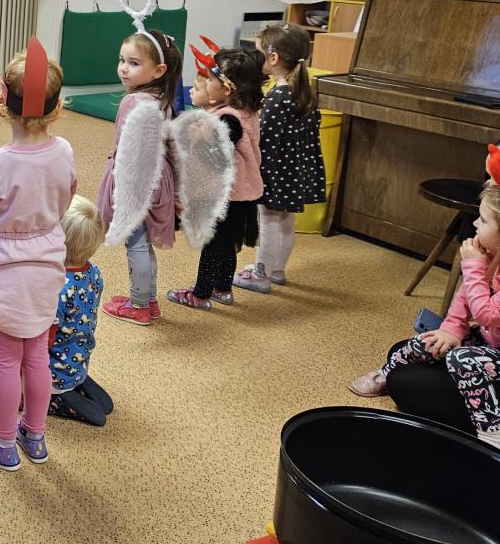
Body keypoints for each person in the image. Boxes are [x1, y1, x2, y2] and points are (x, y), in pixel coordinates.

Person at [0, 45, 76, 471]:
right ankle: (35, 436)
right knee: (37, 356)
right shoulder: (64, 151)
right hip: (46, 267)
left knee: (5, 360)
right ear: (57, 107)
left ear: (1, 102)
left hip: (4, 275)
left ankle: (3, 443)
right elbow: (65, 201)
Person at [349, 180, 500, 449]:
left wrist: (473, 267)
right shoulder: (491, 254)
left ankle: (491, 431)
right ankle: (385, 373)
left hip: (492, 355)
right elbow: (466, 296)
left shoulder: (482, 260)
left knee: (460, 359)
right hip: (488, 343)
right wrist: (452, 327)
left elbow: (487, 315)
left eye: (484, 220)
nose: (475, 224)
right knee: (424, 342)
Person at [0, 196, 114, 427]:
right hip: (78, 356)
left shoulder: (55, 288)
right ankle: (77, 380)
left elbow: (40, 343)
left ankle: (57, 397)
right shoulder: (93, 273)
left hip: (52, 370)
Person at [168, 44, 264, 310]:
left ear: (227, 89)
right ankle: (223, 288)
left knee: (212, 245)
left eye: (210, 81)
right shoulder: (246, 111)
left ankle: (200, 295)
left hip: (227, 196)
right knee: (227, 244)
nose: (206, 84)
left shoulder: (228, 119)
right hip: (242, 193)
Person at [233, 23, 326, 293]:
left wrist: (254, 170)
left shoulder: (277, 98)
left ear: (272, 58)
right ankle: (276, 270)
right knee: (286, 220)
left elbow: (266, 143)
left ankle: (260, 274)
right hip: (295, 172)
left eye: (259, 52)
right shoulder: (304, 93)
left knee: (269, 222)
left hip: (275, 173)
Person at [97, 28, 182, 326]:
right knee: (142, 241)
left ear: (158, 70)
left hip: (135, 182)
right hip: (155, 178)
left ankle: (139, 305)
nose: (123, 68)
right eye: (122, 60)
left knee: (136, 243)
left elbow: (125, 149)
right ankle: (148, 299)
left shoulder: (133, 102)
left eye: (134, 63)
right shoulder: (162, 99)